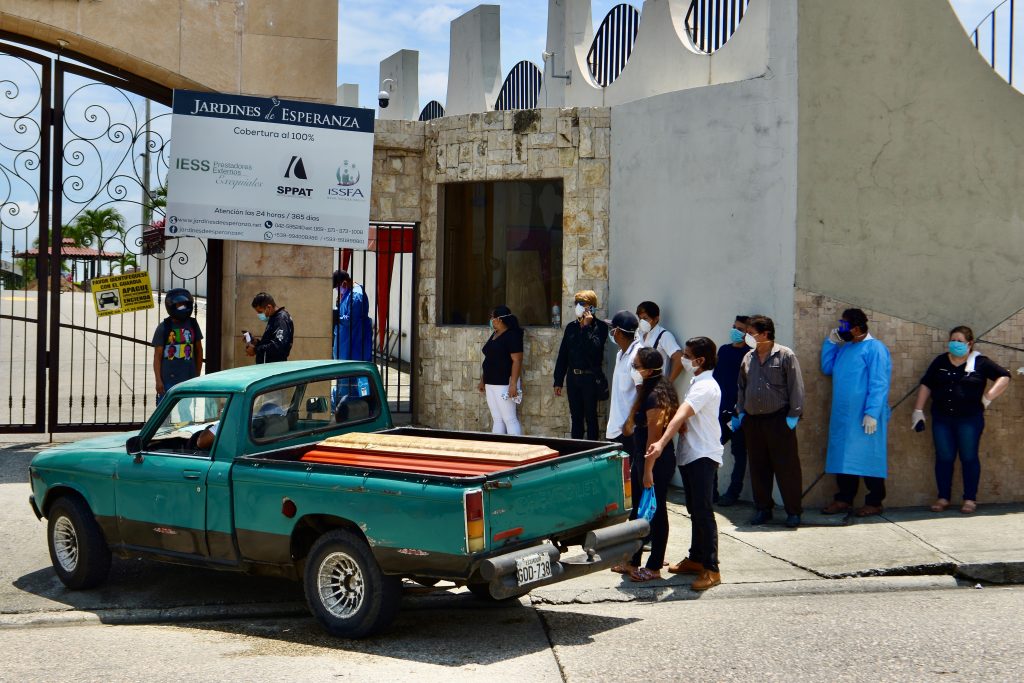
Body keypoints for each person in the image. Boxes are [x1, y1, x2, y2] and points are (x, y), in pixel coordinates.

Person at [646, 336, 723, 591]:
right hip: (691, 455)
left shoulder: (705, 386)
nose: (684, 360)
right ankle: (696, 559)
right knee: (695, 509)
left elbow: (681, 415)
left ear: (700, 360)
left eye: (687, 356)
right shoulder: (696, 382)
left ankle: (712, 569)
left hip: (703, 455)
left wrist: (661, 442)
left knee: (703, 511)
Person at [911, 326, 1010, 514]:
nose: (955, 344)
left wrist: (988, 397)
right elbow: (926, 384)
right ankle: (943, 497)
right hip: (942, 418)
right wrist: (918, 410)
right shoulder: (940, 361)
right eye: (952, 340)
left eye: (959, 341)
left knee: (969, 457)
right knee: (944, 457)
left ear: (969, 343)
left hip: (969, 419)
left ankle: (970, 499)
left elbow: (1004, 376)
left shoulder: (980, 362)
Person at [733, 315, 806, 528]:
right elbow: (741, 387)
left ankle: (793, 511)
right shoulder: (748, 357)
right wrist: (742, 413)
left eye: (751, 333)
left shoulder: (785, 355)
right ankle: (763, 509)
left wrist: (792, 417)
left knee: (787, 468)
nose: (746, 337)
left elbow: (796, 387)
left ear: (765, 334)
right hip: (753, 422)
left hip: (779, 420)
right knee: (758, 468)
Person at [821, 308, 892, 517]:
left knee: (868, 457)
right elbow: (827, 368)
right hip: (844, 415)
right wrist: (831, 343)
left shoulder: (875, 348)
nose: (840, 328)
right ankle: (844, 499)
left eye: (844, 325)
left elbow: (879, 382)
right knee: (844, 458)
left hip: (865, 415)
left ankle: (875, 501)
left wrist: (872, 412)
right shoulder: (846, 348)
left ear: (857, 328)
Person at [616, 347, 679, 582]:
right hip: (643, 459)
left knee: (657, 512)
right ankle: (632, 560)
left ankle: (654, 566)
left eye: (637, 366)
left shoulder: (656, 396)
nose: (634, 369)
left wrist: (648, 471)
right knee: (637, 511)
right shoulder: (649, 389)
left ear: (649, 370)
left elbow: (654, 439)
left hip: (655, 462)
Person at [553, 290, 608, 440]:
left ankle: (593, 449)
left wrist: (586, 327)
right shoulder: (571, 327)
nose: (579, 306)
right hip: (573, 378)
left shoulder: (600, 327)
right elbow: (563, 355)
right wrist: (558, 380)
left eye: (582, 304)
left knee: (591, 417)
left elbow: (594, 350)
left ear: (592, 307)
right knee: (576, 417)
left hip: (590, 378)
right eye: (577, 303)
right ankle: (576, 449)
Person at [713, 315, 750, 506]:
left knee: (739, 454)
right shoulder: (724, 350)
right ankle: (711, 492)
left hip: (739, 414)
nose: (735, 331)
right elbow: (716, 379)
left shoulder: (750, 355)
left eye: (740, 329)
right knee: (712, 450)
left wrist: (740, 410)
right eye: (734, 327)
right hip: (720, 412)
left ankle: (733, 493)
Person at [478, 305, 524, 435]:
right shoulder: (495, 333)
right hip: (490, 382)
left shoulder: (512, 335)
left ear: (499, 319)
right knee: (497, 419)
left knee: (510, 419)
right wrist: (483, 380)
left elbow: (517, 360)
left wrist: (513, 384)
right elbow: (489, 358)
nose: (491, 320)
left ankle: (516, 447)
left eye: (492, 317)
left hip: (504, 383)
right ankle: (498, 445)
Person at [152, 288, 203, 403]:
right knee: (166, 410)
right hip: (168, 381)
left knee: (185, 411)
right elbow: (157, 357)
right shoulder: (163, 327)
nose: (182, 307)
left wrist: (197, 375)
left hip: (188, 379)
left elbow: (199, 350)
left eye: (184, 304)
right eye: (179, 304)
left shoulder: (193, 324)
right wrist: (158, 380)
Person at [604, 310, 643, 447]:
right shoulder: (620, 354)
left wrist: (630, 421)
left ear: (618, 332)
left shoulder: (637, 355)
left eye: (612, 329)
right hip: (615, 429)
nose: (611, 333)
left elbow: (643, 392)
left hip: (628, 431)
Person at [636, 301, 684, 383]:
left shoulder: (664, 336)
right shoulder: (639, 334)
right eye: (640, 318)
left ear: (656, 319)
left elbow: (679, 359)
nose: (642, 322)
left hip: (656, 386)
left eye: (645, 318)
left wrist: (668, 383)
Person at [332, 270, 373, 362]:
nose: (337, 290)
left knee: (354, 365)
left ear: (344, 283)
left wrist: (336, 317)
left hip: (354, 339)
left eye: (337, 287)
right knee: (342, 365)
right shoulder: (347, 292)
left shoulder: (356, 295)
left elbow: (351, 319)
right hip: (345, 338)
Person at [247, 292, 294, 364]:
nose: (259, 315)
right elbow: (269, 343)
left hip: (274, 367)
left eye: (260, 312)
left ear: (269, 307)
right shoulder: (274, 318)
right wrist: (255, 341)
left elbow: (278, 346)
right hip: (268, 365)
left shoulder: (281, 319)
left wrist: (255, 350)